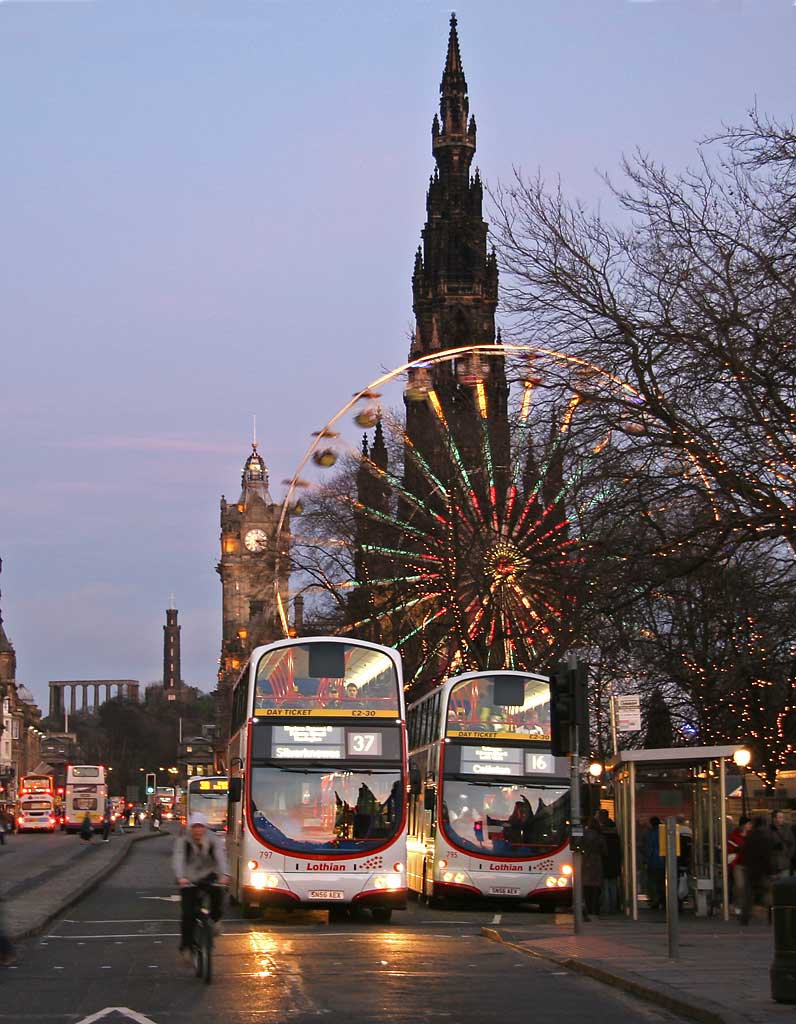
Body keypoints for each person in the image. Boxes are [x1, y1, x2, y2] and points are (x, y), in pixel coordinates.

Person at [173, 811, 229, 963]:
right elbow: (179, 858)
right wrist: (180, 877)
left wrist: (224, 875)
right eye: (195, 827)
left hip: (208, 874)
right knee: (188, 914)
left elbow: (220, 856)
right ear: (190, 828)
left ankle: (215, 921)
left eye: (201, 827)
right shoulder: (183, 840)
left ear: (205, 828)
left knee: (218, 893)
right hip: (189, 877)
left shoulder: (213, 839)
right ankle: (187, 947)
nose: (198, 830)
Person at [597, 808, 622, 914]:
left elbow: (602, 849)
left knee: (606, 886)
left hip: (606, 861)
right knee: (612, 886)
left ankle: (608, 907)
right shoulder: (615, 830)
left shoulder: (602, 832)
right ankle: (613, 906)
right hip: (614, 862)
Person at [582, 817, 607, 917]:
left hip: (586, 861)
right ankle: (595, 908)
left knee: (586, 886)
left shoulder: (584, 834)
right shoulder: (600, 836)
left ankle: (588, 908)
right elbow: (605, 851)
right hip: (597, 862)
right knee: (596, 886)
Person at [728, 815, 751, 915]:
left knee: (746, 887)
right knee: (739, 885)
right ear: (743, 825)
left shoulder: (751, 835)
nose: (750, 826)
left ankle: (743, 906)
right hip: (738, 864)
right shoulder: (733, 836)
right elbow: (729, 848)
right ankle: (737, 905)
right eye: (748, 824)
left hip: (748, 864)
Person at [642, 816, 665, 910]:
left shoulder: (650, 834)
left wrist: (646, 860)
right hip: (663, 861)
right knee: (662, 882)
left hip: (653, 862)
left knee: (652, 882)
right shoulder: (664, 832)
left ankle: (655, 900)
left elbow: (650, 848)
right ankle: (664, 900)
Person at [770, 811, 795, 879]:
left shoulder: (787, 829)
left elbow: (792, 843)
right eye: (779, 817)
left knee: (784, 886)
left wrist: (789, 855)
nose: (781, 819)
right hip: (773, 864)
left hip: (785, 863)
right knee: (773, 887)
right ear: (774, 818)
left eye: (782, 817)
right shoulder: (769, 830)